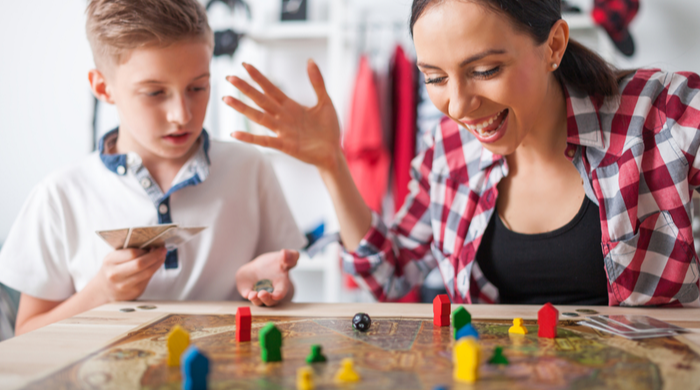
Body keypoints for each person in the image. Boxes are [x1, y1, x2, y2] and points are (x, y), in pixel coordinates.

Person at [224, 0, 700, 307]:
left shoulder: (663, 113)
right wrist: (331, 161)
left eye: (486, 69)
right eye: (433, 77)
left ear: (553, 45)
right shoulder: (448, 152)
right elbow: (390, 275)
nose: (457, 105)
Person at [0, 0, 306, 336]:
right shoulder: (59, 196)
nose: (182, 114)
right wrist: (101, 292)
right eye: (155, 92)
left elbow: (282, 292)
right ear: (103, 87)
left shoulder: (251, 169)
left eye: (198, 87)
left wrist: (273, 288)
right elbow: (26, 334)